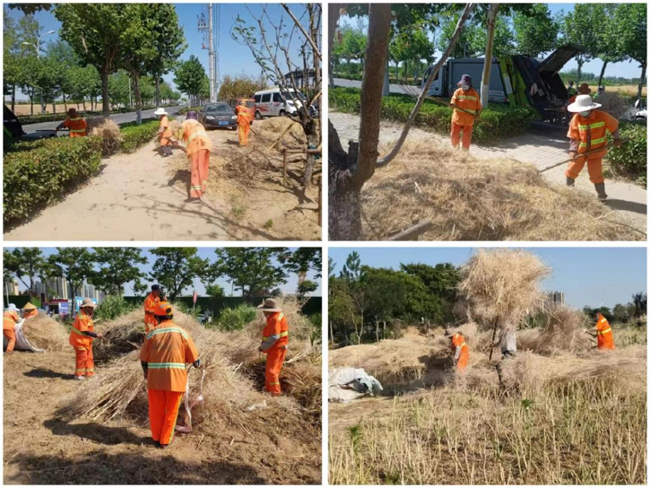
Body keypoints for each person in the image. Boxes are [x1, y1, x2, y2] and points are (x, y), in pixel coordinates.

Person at [140, 301, 200, 449]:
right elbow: (195, 360)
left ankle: (156, 438)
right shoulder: (182, 333)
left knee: (156, 411)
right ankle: (165, 441)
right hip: (176, 381)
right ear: (172, 316)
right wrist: (197, 364)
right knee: (171, 412)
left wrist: (146, 374)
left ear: (156, 317)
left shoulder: (151, 334)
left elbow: (143, 360)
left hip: (155, 381)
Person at [566, 94, 621, 200]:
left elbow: (614, 127)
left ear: (590, 108)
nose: (581, 112)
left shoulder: (603, 116)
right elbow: (573, 136)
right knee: (571, 169)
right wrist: (573, 150)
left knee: (596, 174)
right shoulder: (576, 118)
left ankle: (601, 195)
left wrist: (616, 138)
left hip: (596, 151)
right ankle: (568, 190)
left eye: (583, 110)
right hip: (580, 151)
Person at [174, 111, 212, 203]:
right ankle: (202, 188)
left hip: (197, 145)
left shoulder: (186, 123)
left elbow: (178, 133)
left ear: (187, 117)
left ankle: (195, 196)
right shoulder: (199, 124)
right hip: (207, 144)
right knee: (203, 168)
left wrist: (175, 141)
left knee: (196, 170)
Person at [257, 299, 289, 395]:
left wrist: (263, 347)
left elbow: (274, 337)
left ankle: (275, 393)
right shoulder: (278, 316)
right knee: (271, 371)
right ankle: (268, 390)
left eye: (264, 310)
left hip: (277, 348)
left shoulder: (274, 319)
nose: (263, 312)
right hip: (278, 347)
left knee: (272, 372)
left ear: (268, 310)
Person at [69, 298, 103, 380]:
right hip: (79, 341)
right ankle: (78, 375)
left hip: (86, 341)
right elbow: (84, 331)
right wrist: (96, 335)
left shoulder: (86, 315)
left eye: (92, 307)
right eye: (91, 307)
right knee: (82, 357)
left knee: (89, 357)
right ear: (86, 308)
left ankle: (89, 374)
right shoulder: (82, 316)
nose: (92, 309)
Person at [449, 74, 482, 151]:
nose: (463, 86)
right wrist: (452, 104)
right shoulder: (457, 92)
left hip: (468, 121)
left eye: (465, 84)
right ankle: (455, 150)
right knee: (454, 135)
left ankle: (465, 153)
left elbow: (479, 108)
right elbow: (453, 102)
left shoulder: (475, 94)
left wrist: (477, 115)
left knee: (466, 138)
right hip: (457, 119)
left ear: (470, 85)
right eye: (462, 84)